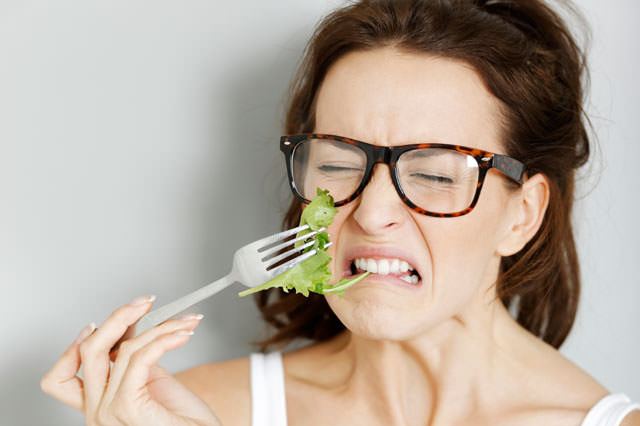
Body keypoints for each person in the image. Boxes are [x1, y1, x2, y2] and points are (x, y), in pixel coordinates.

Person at [41, 0, 640, 425]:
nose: (372, 211)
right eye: (336, 165)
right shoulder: (196, 412)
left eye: (433, 173)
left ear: (523, 215)